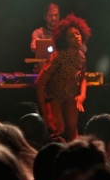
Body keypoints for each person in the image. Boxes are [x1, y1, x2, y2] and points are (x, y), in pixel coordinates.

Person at [36, 12, 90, 142]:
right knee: (58, 130)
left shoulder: (81, 56)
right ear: (65, 40)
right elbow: (39, 83)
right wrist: (45, 113)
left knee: (72, 129)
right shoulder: (57, 57)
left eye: (77, 33)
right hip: (54, 98)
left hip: (70, 97)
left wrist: (82, 96)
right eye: (72, 36)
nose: (77, 37)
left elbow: (83, 78)